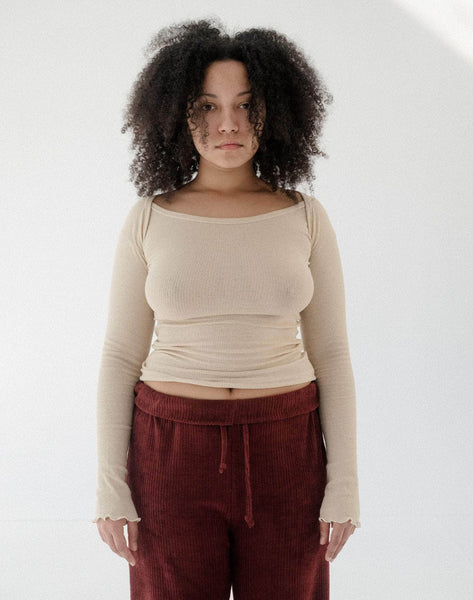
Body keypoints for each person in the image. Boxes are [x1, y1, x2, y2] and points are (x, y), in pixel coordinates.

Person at [92, 17, 360, 600]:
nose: (228, 124)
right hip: (170, 452)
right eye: (207, 107)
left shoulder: (305, 216)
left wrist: (344, 482)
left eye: (245, 105)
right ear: (177, 115)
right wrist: (110, 484)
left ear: (275, 111)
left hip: (287, 446)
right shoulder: (150, 217)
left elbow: (333, 353)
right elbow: (120, 355)